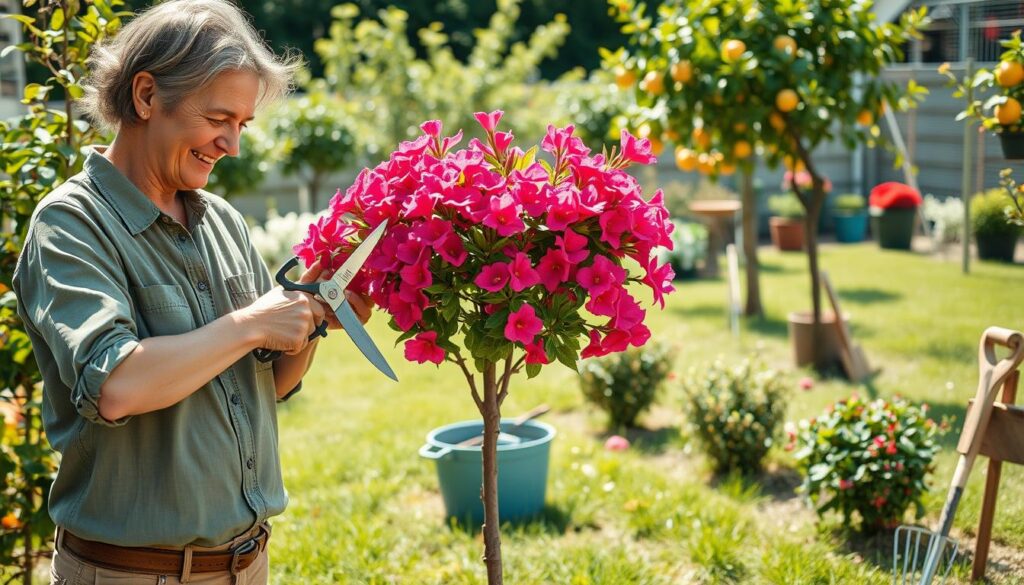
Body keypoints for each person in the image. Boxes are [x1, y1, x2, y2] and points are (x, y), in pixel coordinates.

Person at [11, 1, 372, 582]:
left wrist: (312, 321)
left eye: (242, 125)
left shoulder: (221, 222)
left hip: (245, 563)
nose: (231, 143)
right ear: (147, 96)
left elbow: (268, 382)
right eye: (218, 118)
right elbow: (118, 385)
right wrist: (253, 322)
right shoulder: (72, 225)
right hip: (132, 573)